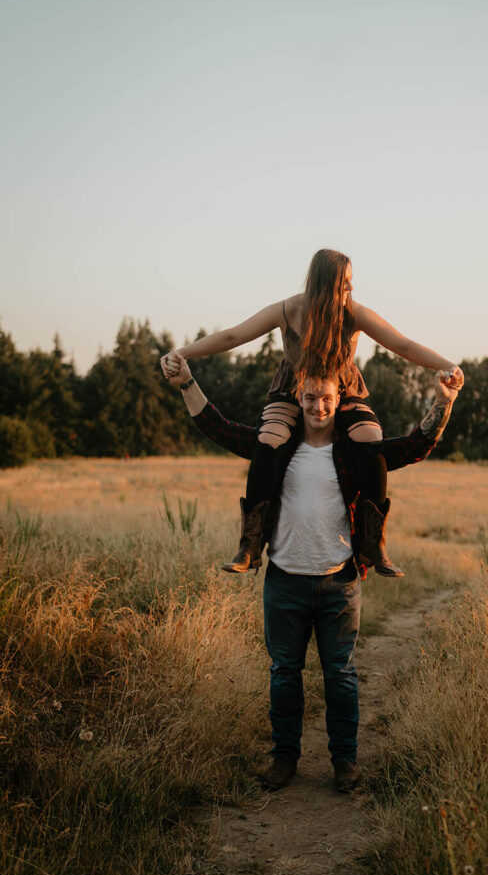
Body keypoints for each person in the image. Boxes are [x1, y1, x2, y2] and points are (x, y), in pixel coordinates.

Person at [166, 351, 461, 793]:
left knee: (339, 675)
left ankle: (345, 762)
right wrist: (188, 382)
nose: (317, 406)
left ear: (338, 397)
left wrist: (444, 401)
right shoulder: (278, 448)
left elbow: (413, 445)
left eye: (325, 397)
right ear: (297, 398)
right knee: (284, 674)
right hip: (284, 580)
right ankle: (285, 759)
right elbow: (219, 428)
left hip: (339, 582)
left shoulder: (355, 453)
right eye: (308, 397)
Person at [160, 248, 464, 579]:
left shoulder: (354, 312)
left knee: (370, 436)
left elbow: (402, 345)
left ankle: (372, 542)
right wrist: (181, 353)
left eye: (351, 282)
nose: (350, 289)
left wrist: (447, 365)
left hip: (341, 391)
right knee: (269, 437)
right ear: (324, 282)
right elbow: (233, 336)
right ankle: (250, 544)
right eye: (344, 283)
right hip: (294, 391)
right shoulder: (288, 309)